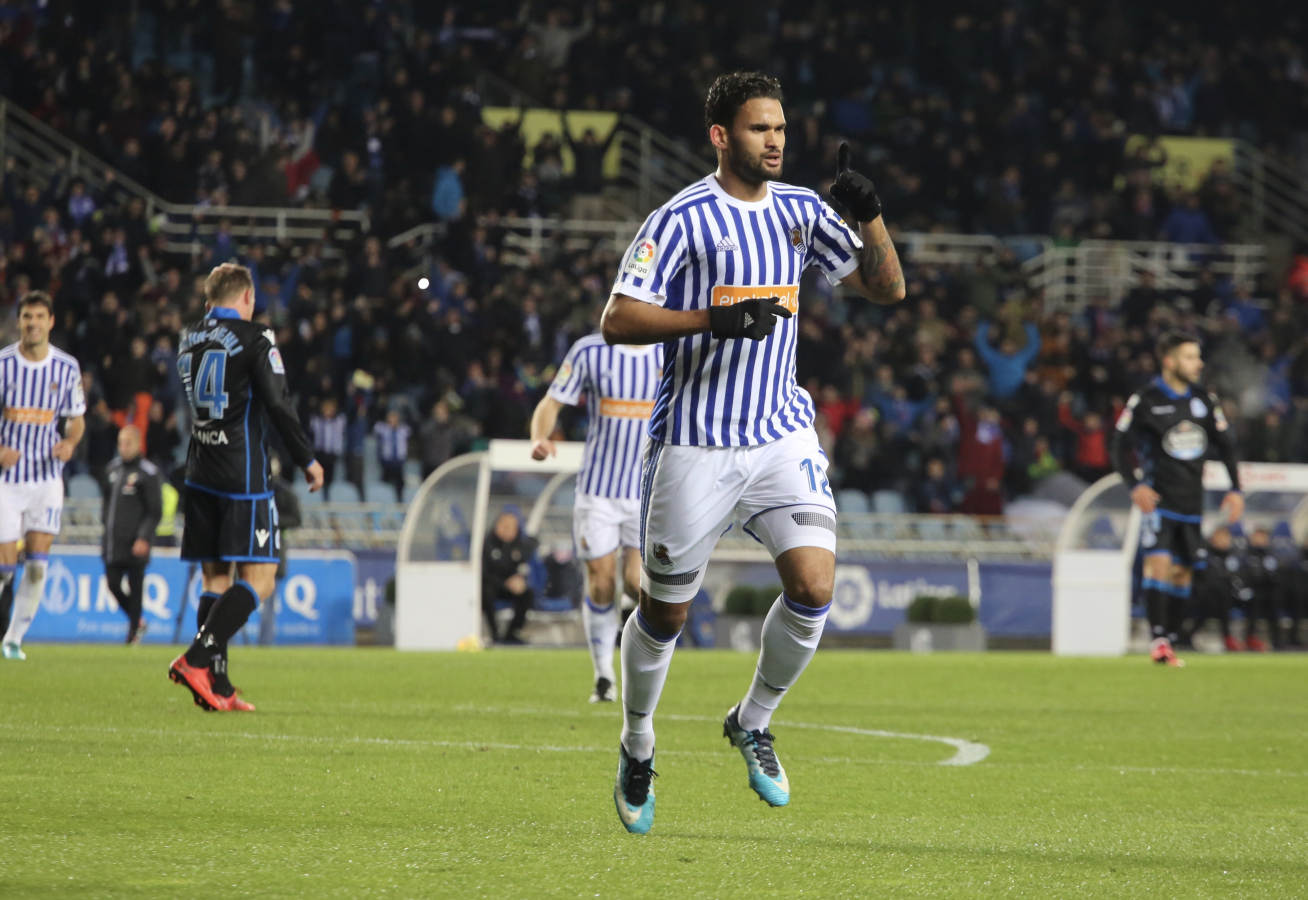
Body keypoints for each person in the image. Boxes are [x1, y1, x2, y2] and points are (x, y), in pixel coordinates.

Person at [599, 72, 904, 834]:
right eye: (759, 129)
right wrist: (713, 319)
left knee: (815, 584)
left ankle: (753, 719)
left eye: (780, 128)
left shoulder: (802, 210)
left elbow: (886, 289)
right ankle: (638, 744)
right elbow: (618, 319)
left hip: (778, 434)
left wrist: (870, 217)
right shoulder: (680, 219)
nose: (775, 140)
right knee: (664, 612)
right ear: (721, 136)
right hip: (694, 443)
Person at [168, 263, 323, 711]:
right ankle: (197, 659)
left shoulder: (188, 338)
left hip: (199, 473)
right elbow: (277, 401)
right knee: (262, 579)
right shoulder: (258, 338)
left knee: (215, 578)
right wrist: (306, 459)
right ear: (248, 298)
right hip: (243, 477)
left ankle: (215, 685)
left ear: (208, 298)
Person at [529, 324, 662, 703]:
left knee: (638, 582)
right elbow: (551, 402)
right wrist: (540, 437)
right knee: (601, 581)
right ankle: (604, 675)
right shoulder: (590, 351)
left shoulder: (668, 350)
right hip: (598, 490)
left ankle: (636, 646)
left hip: (648, 490)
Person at [1111, 331, 1243, 668]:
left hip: (1192, 503)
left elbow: (1226, 445)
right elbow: (1118, 446)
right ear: (1169, 361)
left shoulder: (1204, 400)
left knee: (1184, 574)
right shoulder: (1146, 399)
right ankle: (1157, 640)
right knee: (1159, 563)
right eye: (1189, 357)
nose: (1198, 363)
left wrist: (1236, 488)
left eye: (1197, 357)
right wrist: (1134, 485)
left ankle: (1168, 640)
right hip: (1159, 499)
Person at [0, 291, 86, 661]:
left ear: (51, 321)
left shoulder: (66, 368)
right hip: (6, 479)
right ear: (18, 322)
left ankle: (13, 640)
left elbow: (76, 418)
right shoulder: (3, 365)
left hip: (46, 478)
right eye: (26, 317)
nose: (32, 323)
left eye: (38, 316)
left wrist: (70, 443)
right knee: (4, 567)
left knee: (36, 566)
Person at [102, 425, 163, 645]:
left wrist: (144, 537)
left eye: (128, 443)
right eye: (120, 443)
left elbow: (155, 510)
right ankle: (137, 621)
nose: (123, 448)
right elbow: (107, 505)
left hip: (136, 542)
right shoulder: (112, 470)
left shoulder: (148, 472)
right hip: (113, 542)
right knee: (113, 584)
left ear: (138, 444)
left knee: (136, 589)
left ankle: (132, 635)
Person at [480, 510, 538, 645]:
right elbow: (484, 573)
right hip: (492, 585)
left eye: (512, 527)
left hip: (510, 587)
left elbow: (523, 566)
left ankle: (511, 634)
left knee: (527, 593)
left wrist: (520, 579)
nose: (508, 530)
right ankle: (494, 634)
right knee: (486, 591)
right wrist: (504, 583)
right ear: (497, 526)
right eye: (504, 526)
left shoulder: (520, 545)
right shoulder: (486, 544)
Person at [309, 396, 346, 501]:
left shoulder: (339, 421)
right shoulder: (316, 420)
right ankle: (319, 497)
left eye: (330, 409)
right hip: (320, 453)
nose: (328, 411)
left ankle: (328, 498)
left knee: (330, 480)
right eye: (326, 408)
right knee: (318, 478)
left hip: (332, 454)